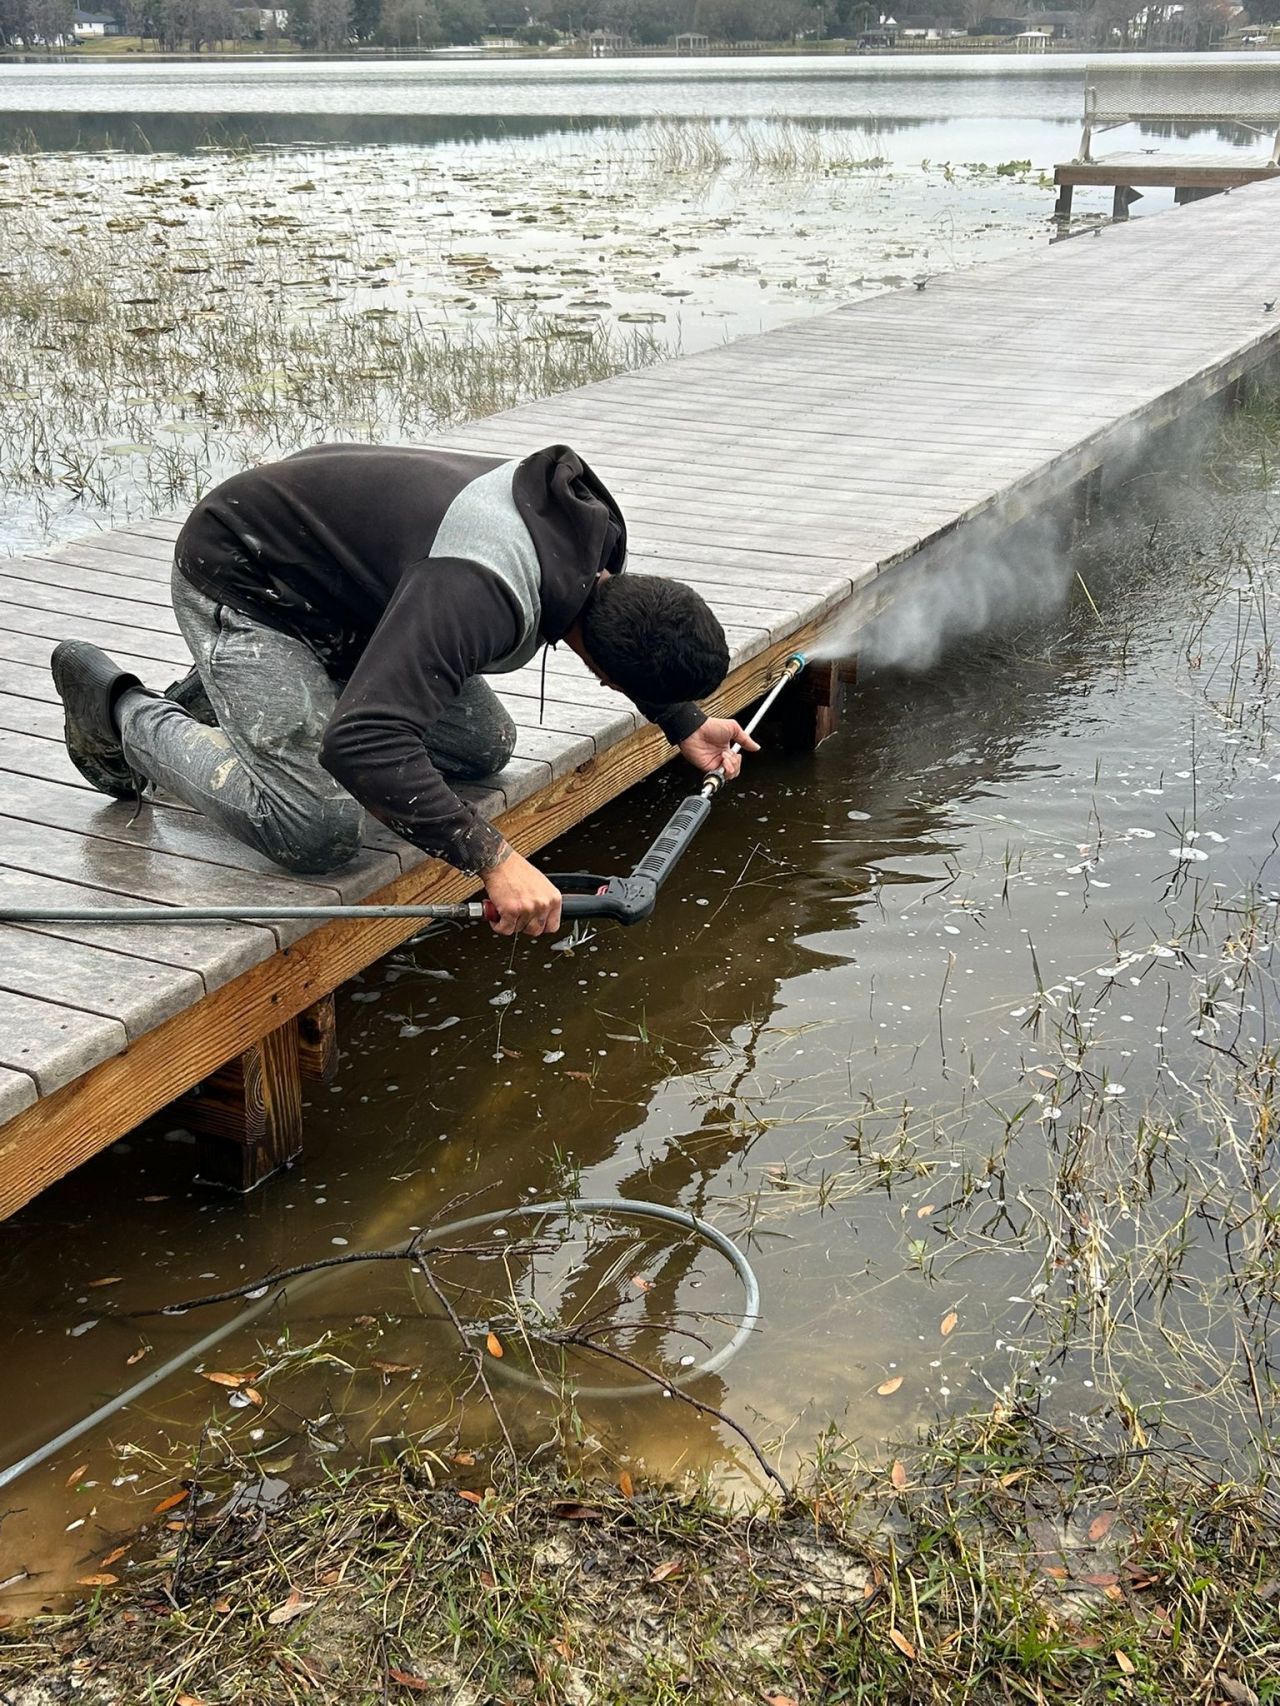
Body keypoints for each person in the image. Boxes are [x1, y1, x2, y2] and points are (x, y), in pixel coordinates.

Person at [51, 443, 757, 937]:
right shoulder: (478, 591)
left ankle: (240, 691)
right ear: (605, 669)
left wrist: (682, 721)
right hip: (248, 574)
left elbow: (624, 641)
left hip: (356, 598)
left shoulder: (596, 551)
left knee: (484, 745)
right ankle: (121, 712)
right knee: (314, 828)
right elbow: (360, 745)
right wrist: (495, 858)